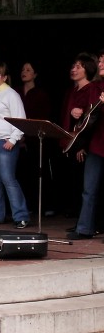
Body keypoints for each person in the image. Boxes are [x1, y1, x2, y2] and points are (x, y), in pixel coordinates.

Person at [0, 62, 30, 228]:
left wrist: (13, 139)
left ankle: (21, 215)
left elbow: (20, 119)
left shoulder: (11, 95)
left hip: (4, 141)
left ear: (4, 77)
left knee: (8, 178)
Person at [66, 49, 104, 240]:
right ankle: (84, 228)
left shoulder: (95, 87)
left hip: (97, 142)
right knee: (88, 189)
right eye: (100, 61)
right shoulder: (98, 86)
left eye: (103, 61)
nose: (100, 64)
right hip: (97, 144)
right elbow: (90, 117)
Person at [58, 53, 99, 219]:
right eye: (73, 66)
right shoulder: (72, 91)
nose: (73, 69)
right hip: (70, 140)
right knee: (72, 181)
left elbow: (92, 118)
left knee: (85, 184)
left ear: (87, 69)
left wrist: (82, 145)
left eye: (78, 67)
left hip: (82, 143)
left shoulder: (92, 89)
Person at [14, 61, 54, 216]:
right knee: (21, 174)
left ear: (35, 74)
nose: (24, 72)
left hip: (36, 139)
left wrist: (27, 136)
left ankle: (45, 206)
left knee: (38, 172)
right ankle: (27, 206)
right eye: (23, 69)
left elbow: (42, 118)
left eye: (28, 69)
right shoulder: (15, 92)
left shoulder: (41, 94)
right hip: (17, 138)